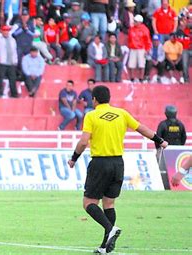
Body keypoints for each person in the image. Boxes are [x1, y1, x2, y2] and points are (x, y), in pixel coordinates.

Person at [68, 85, 168, 254]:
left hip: (100, 163)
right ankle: (105, 247)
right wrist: (160, 140)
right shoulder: (122, 113)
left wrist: (74, 158)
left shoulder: (91, 115)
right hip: (118, 164)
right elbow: (141, 128)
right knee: (109, 203)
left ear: (94, 99)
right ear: (109, 98)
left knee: (88, 203)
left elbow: (84, 141)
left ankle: (110, 229)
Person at [0, 25, 18, 98]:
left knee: (12, 78)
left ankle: (14, 94)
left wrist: (15, 60)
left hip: (11, 62)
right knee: (0, 78)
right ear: (2, 31)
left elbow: (14, 51)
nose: (6, 32)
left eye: (7, 31)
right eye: (5, 31)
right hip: (2, 62)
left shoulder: (12, 39)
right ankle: (0, 93)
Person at [127, 15, 152, 83]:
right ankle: (132, 78)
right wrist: (130, 46)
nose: (134, 22)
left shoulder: (145, 29)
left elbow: (148, 40)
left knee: (141, 64)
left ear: (139, 22)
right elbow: (129, 38)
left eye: (135, 21)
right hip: (133, 48)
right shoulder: (131, 29)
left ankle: (141, 78)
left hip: (141, 49)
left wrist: (147, 49)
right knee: (131, 64)